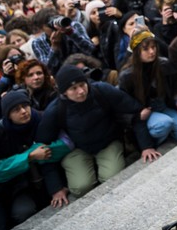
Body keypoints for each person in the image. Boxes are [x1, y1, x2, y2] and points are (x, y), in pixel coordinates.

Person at [35, 64, 155, 200]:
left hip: (107, 142)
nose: (80, 91)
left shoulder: (101, 90)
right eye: (73, 88)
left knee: (112, 179)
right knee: (80, 188)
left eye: (82, 85)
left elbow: (135, 111)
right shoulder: (55, 110)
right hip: (76, 148)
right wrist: (55, 188)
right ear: (64, 93)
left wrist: (146, 146)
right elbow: (42, 148)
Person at [0, 91, 71, 229]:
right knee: (22, 212)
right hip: (21, 185)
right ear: (7, 115)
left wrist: (40, 152)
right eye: (16, 109)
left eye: (25, 106)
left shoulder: (43, 117)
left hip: (51, 174)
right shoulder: (0, 133)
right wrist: (29, 156)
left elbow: (66, 144)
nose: (23, 111)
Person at [118, 30, 177, 148]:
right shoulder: (127, 76)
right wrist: (138, 116)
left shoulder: (163, 64)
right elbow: (123, 106)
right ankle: (154, 140)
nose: (151, 52)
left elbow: (176, 87)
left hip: (164, 106)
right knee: (164, 123)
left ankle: (169, 135)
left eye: (153, 47)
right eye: (146, 49)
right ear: (136, 52)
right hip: (146, 112)